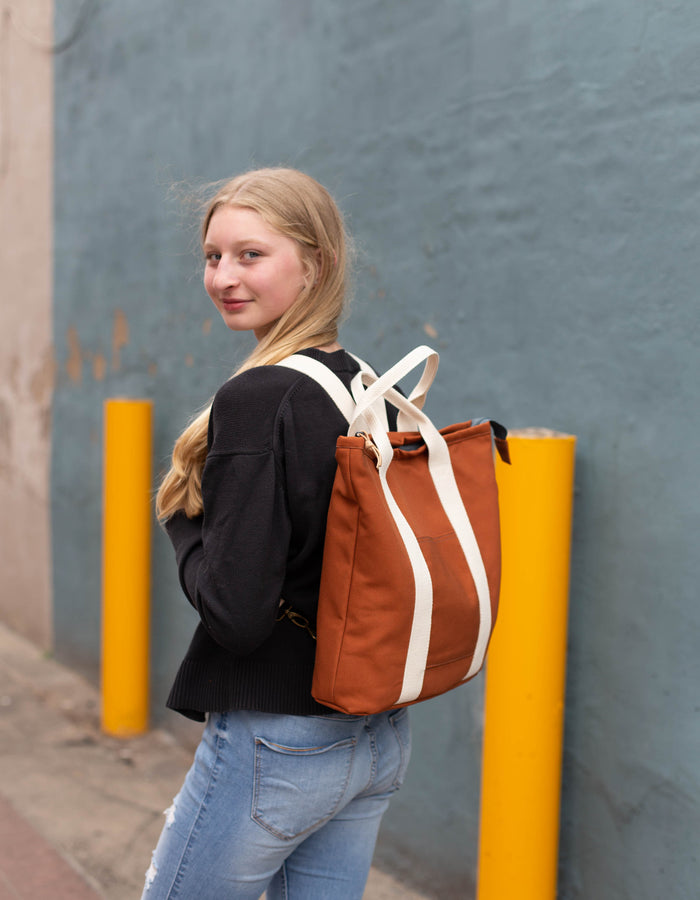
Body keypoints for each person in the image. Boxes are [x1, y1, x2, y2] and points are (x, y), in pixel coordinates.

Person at [143, 168, 411, 900]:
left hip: (279, 740)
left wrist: (181, 526)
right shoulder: (362, 382)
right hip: (373, 732)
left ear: (315, 263)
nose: (224, 276)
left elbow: (237, 612)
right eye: (212, 256)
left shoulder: (259, 397)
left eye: (250, 255)